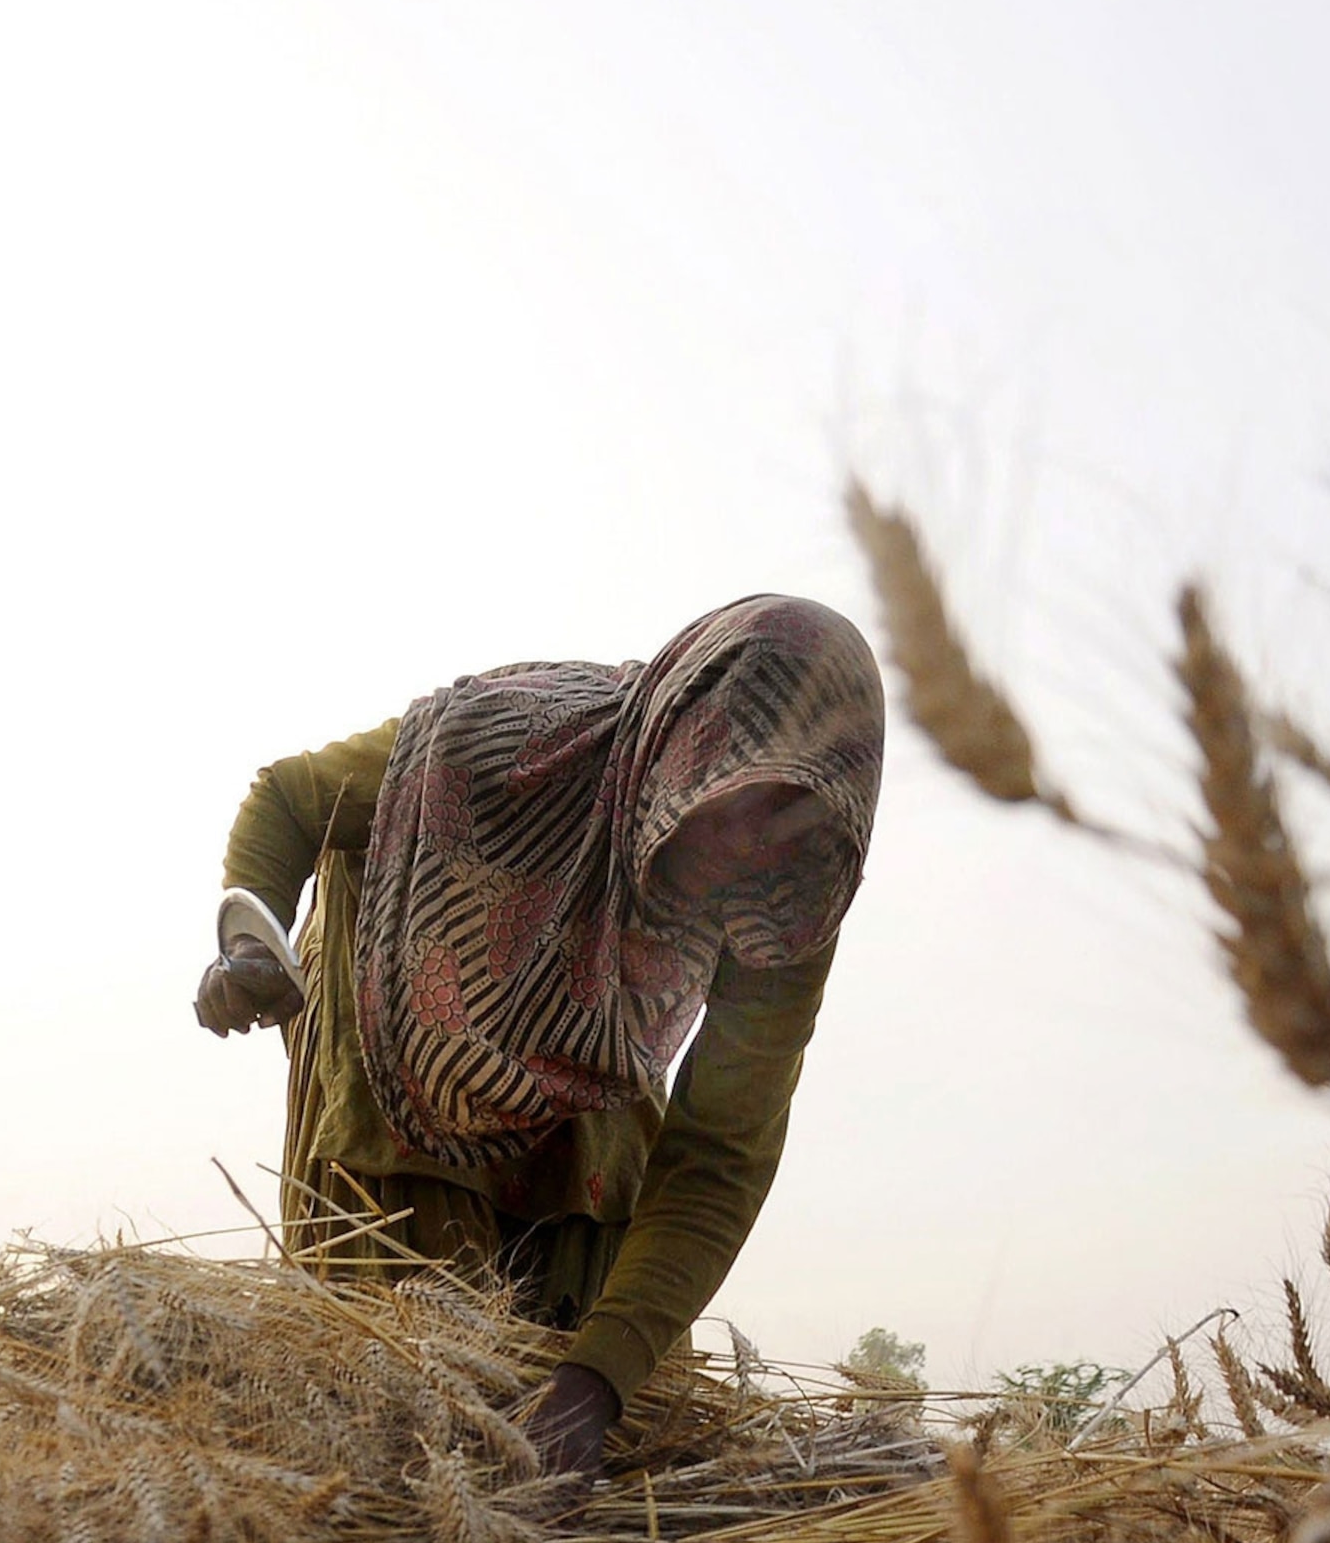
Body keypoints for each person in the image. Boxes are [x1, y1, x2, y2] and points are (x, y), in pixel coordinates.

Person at [197, 594, 883, 1479]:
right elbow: (289, 801)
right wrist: (252, 942)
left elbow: (721, 1151)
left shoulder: (787, 903)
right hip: (400, 1057)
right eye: (743, 795)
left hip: (585, 1095)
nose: (752, 845)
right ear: (689, 743)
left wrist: (598, 1380)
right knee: (398, 1432)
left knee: (596, 1442)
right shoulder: (499, 746)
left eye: (796, 813)